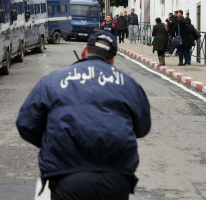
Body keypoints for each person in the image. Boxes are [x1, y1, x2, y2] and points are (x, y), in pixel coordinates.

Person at [16, 30, 151, 200]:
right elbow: (143, 127)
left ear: (84, 52)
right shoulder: (129, 84)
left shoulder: (53, 80)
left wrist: (52, 142)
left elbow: (26, 124)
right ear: (112, 59)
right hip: (117, 178)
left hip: (66, 177)